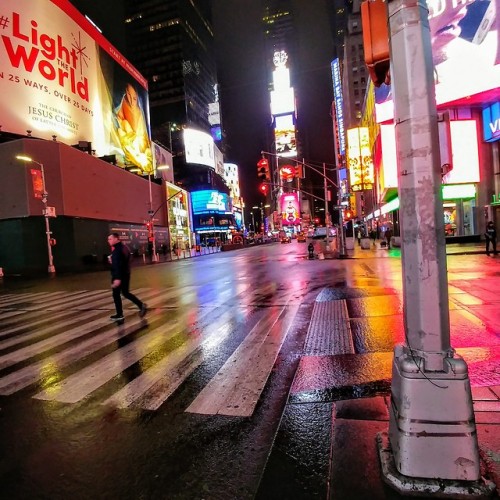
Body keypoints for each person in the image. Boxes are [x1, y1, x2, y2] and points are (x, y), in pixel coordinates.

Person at [107, 233, 147, 322]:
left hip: (120, 275)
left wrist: (117, 278)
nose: (108, 241)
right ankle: (141, 305)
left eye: (110, 239)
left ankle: (119, 314)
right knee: (125, 293)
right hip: (125, 273)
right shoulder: (123, 247)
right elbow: (127, 259)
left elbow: (119, 265)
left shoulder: (118, 249)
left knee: (116, 294)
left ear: (116, 239)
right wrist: (112, 260)